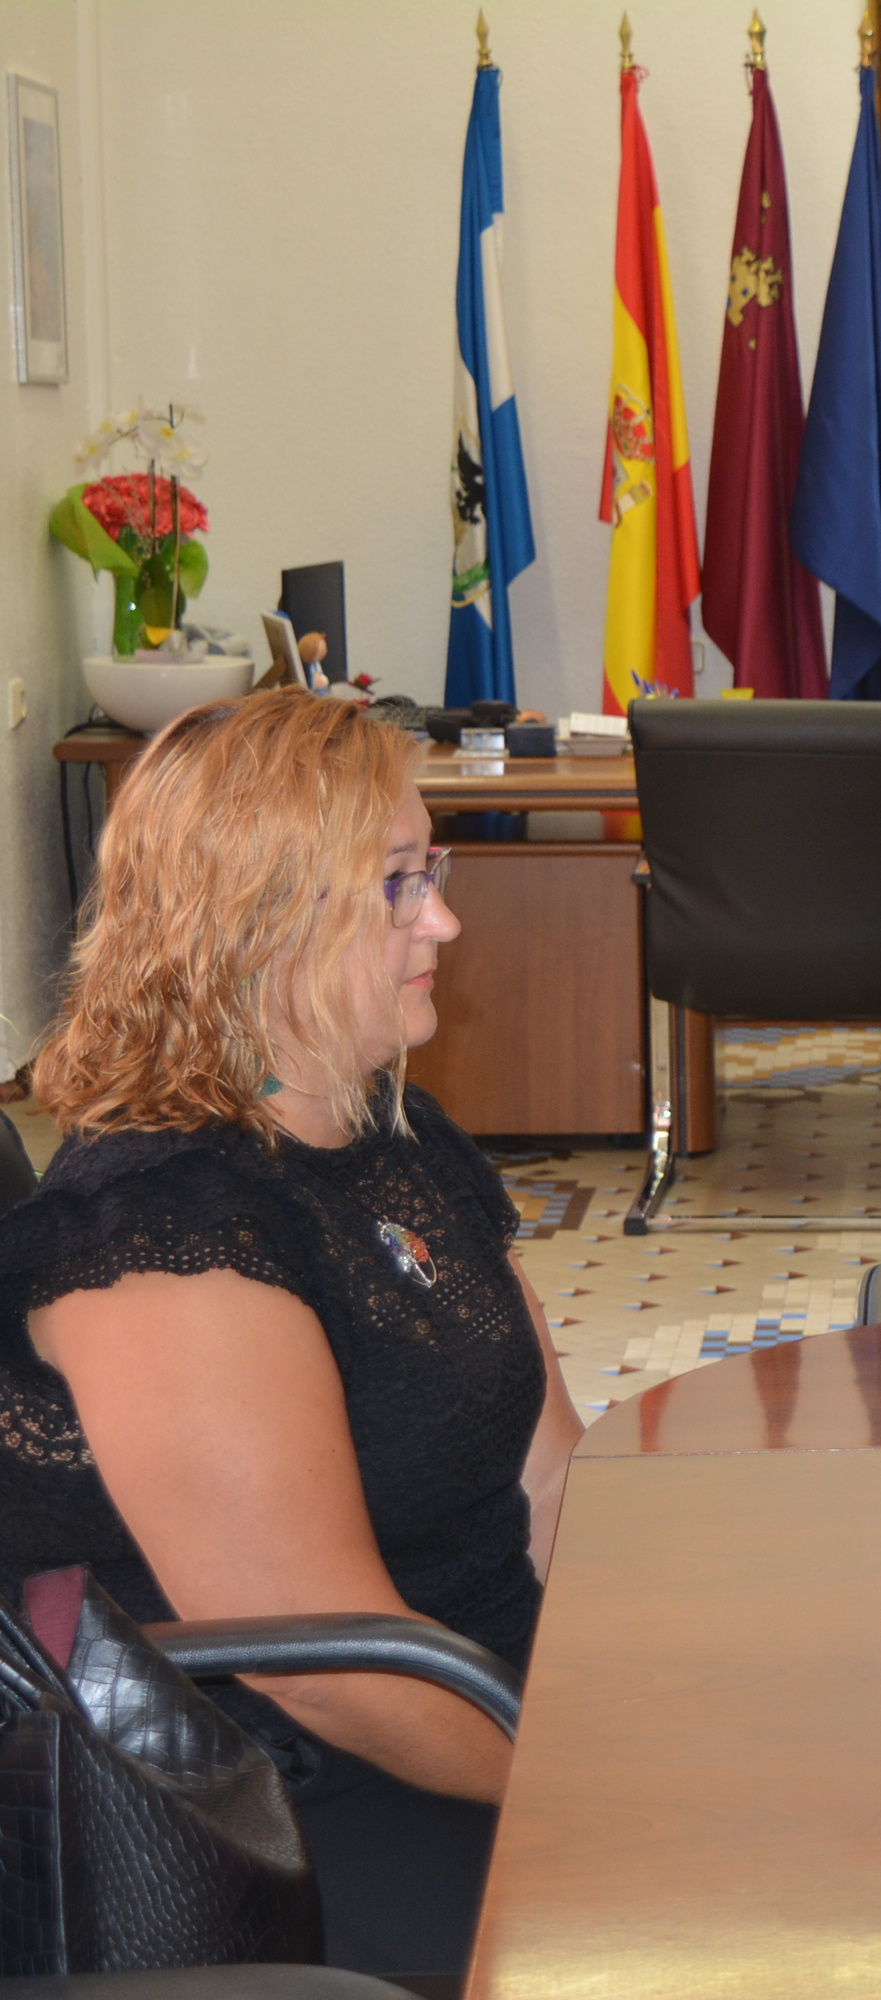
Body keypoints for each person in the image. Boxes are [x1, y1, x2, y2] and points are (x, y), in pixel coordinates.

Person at [0, 691, 582, 1978]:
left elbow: (551, 1473)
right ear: (259, 920)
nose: (443, 919)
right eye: (395, 883)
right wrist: (588, 1771)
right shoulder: (160, 1236)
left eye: (430, 869)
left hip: (483, 1695)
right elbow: (324, 1664)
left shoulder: (395, 1135)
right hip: (286, 1801)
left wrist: (662, 1664)